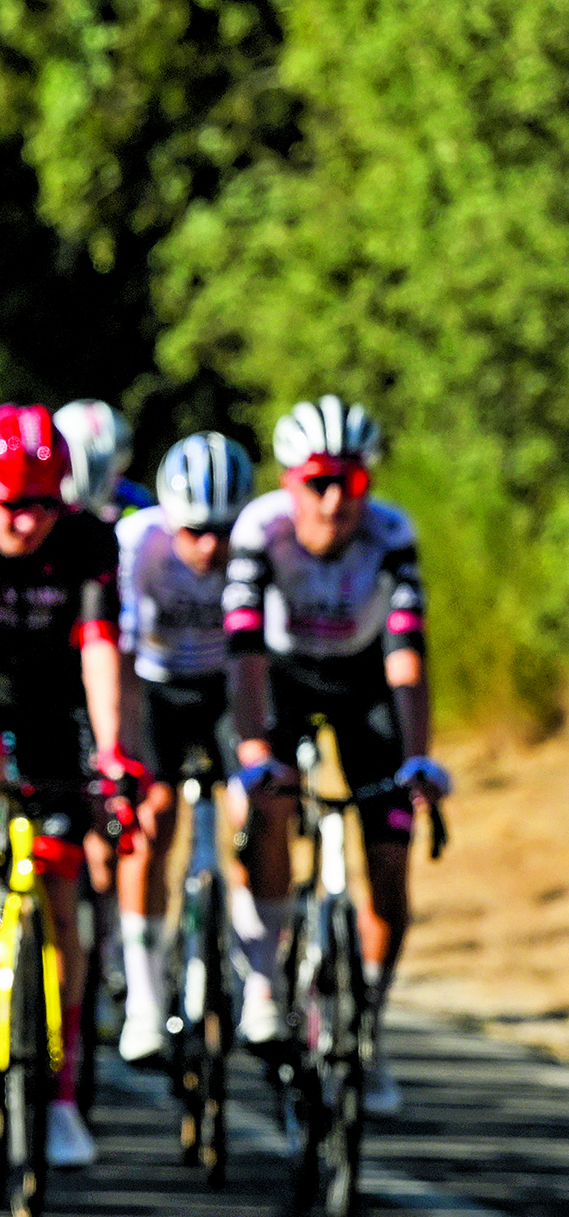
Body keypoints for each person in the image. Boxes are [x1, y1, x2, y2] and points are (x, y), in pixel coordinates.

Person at [0, 403, 135, 1170]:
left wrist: (112, 754)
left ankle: (62, 1092)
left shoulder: (89, 538)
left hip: (53, 712)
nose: (27, 521)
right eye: (11, 503)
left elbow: (100, 650)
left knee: (63, 894)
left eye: (44, 504)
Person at [225, 396, 440, 1108]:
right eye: (315, 482)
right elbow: (243, 654)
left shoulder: (389, 532)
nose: (332, 500)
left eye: (348, 482)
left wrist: (416, 757)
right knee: (270, 808)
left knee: (390, 857)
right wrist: (254, 750)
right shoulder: (259, 529)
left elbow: (407, 654)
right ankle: (263, 980)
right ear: (288, 482)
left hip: (364, 680)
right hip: (282, 678)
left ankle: (367, 1021)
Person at [109, 432, 255, 1060]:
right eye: (194, 530)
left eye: (224, 530)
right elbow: (117, 656)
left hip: (225, 687)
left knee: (252, 810)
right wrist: (123, 750)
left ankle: (256, 981)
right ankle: (144, 999)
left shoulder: (258, 544)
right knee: (153, 820)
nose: (211, 546)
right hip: (155, 689)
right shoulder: (136, 542)